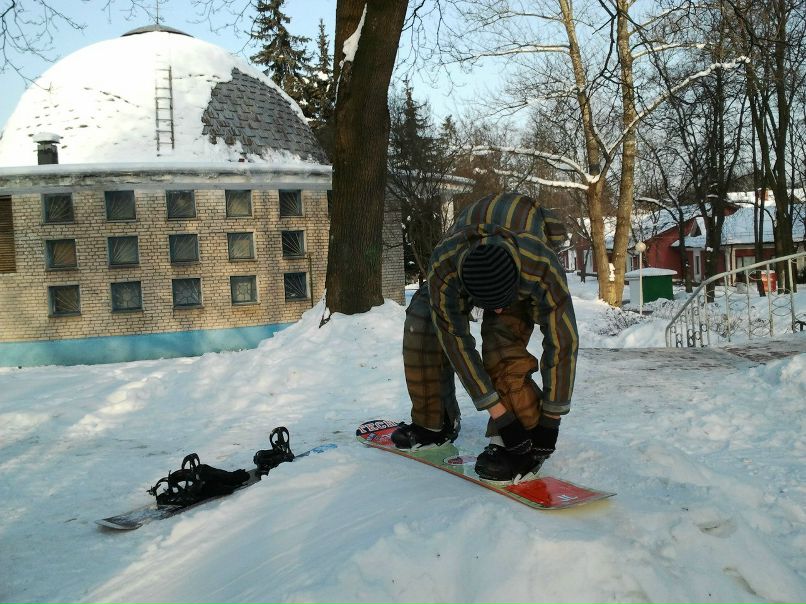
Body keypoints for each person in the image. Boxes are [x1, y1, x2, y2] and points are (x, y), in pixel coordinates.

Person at [391, 191, 579, 483]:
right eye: (489, 304)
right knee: (422, 324)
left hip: (520, 253)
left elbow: (563, 341)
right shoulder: (445, 266)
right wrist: (499, 415)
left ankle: (526, 436)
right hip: (461, 259)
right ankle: (435, 421)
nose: (497, 309)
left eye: (502, 302)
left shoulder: (539, 265)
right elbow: (455, 342)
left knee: (501, 346)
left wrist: (550, 422)